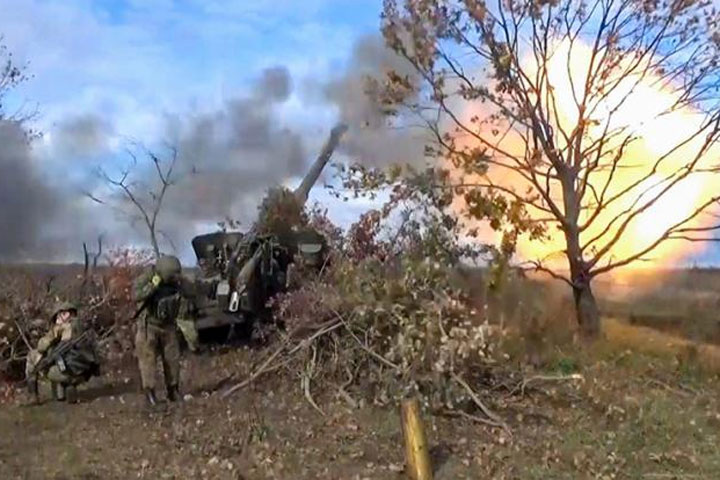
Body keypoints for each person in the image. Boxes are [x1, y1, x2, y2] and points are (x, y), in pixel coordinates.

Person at [133, 254, 193, 407]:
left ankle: (173, 389)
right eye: (172, 275)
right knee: (148, 361)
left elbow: (191, 292)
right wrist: (153, 285)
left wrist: (183, 282)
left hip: (168, 325)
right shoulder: (147, 278)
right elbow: (136, 295)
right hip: (148, 326)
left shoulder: (177, 282)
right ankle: (150, 393)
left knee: (172, 358)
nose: (174, 278)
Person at [25, 301, 100, 404]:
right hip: (83, 374)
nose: (58, 318)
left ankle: (33, 396)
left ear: (66, 314)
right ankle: (67, 389)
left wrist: (54, 331)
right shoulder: (84, 328)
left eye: (60, 315)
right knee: (57, 355)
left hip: (68, 372)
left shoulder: (66, 327)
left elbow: (41, 347)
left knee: (35, 358)